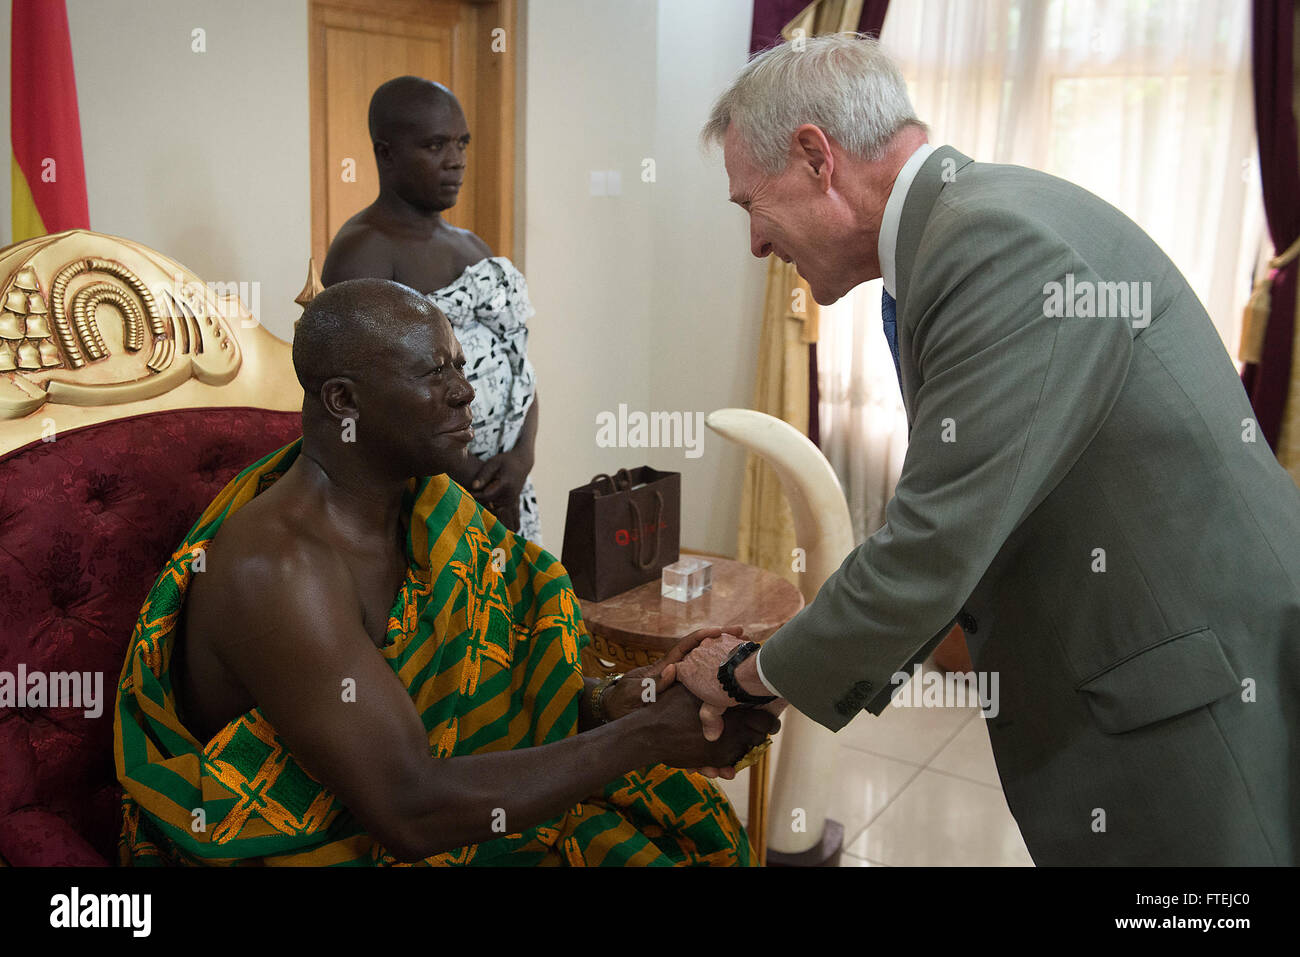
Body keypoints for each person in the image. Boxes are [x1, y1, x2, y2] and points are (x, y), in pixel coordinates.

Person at [677, 33, 1300, 865]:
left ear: (816, 158)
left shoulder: (992, 246)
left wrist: (746, 673)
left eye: (749, 203)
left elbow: (933, 546)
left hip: (1185, 698)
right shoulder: (971, 224)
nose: (755, 243)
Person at [113, 279, 774, 866]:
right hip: (329, 835)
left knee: (672, 818)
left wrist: (620, 700)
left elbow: (507, 684)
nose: (466, 391)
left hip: (428, 800)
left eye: (458, 364)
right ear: (344, 400)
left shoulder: (431, 506)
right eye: (435, 373)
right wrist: (648, 735)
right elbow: (408, 809)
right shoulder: (279, 569)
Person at [322, 76, 540, 541]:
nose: (457, 160)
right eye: (436, 145)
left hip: (507, 488)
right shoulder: (363, 251)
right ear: (386, 153)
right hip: (427, 496)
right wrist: (462, 471)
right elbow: (369, 397)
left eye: (462, 142)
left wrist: (521, 459)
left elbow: (522, 366)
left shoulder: (473, 246)